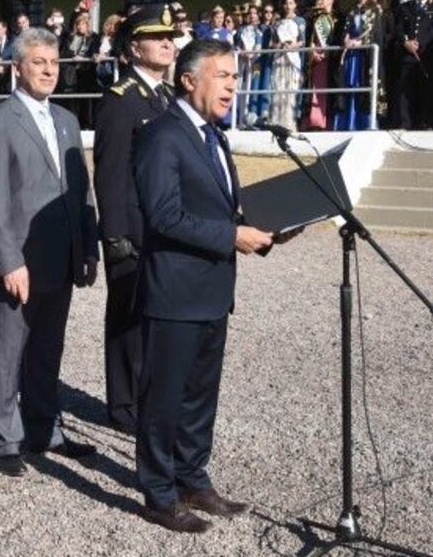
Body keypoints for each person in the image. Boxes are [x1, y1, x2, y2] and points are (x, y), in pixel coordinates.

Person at [132, 38, 294, 534]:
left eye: (235, 76)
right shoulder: (162, 136)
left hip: (213, 291)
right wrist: (231, 236)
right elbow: (163, 215)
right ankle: (159, 493)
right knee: (164, 399)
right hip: (174, 293)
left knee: (200, 397)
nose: (232, 86)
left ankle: (192, 478)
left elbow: (218, 209)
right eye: (222, 75)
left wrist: (261, 229)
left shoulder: (215, 137)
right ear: (188, 80)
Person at [0, 27, 99, 476]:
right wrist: (9, 261)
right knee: (6, 354)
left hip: (61, 260)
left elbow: (81, 189)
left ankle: (44, 430)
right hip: (17, 263)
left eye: (54, 63)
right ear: (17, 67)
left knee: (47, 352)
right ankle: (3, 439)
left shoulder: (66, 120)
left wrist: (89, 247)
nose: (49, 71)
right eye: (38, 62)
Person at [93, 5, 179, 433]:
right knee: (128, 321)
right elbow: (109, 172)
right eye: (157, 36)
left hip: (166, 228)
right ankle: (125, 406)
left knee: (159, 319)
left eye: (170, 36)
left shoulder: (169, 97)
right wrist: (114, 235)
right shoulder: (120, 99)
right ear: (133, 47)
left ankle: (151, 398)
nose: (167, 42)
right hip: (132, 230)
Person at [393, 0, 433, 129]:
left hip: (427, 54)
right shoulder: (404, 7)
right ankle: (405, 122)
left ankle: (425, 121)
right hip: (408, 54)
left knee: (427, 89)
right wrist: (406, 42)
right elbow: (398, 28)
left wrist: (420, 44)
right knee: (405, 90)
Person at [335, 0, 384, 130]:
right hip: (352, 55)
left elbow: (376, 34)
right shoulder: (351, 10)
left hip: (365, 56)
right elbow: (345, 30)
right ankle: (348, 123)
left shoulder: (374, 10)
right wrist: (346, 39)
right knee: (349, 86)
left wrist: (361, 43)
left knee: (363, 86)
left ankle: (365, 123)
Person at [302, 0, 341, 130]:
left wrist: (327, 52)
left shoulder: (338, 18)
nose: (320, 1)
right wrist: (312, 51)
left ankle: (326, 121)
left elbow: (337, 39)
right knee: (315, 88)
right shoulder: (314, 18)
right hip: (316, 58)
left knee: (328, 88)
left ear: (331, 0)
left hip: (330, 58)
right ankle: (314, 120)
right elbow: (309, 38)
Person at [269, 0, 306, 131]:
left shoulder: (300, 21)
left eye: (291, 3)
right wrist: (280, 45)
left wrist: (292, 46)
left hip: (293, 58)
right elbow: (272, 43)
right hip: (280, 58)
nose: (288, 6)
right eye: (286, 3)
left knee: (291, 88)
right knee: (279, 88)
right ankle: (277, 121)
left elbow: (302, 41)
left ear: (295, 5)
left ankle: (290, 121)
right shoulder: (278, 23)